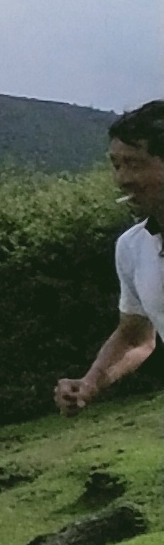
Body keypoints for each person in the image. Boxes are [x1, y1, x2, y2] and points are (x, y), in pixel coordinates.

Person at [51, 101, 164, 414]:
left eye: (135, 164)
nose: (123, 179)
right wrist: (91, 382)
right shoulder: (132, 247)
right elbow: (135, 337)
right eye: (116, 165)